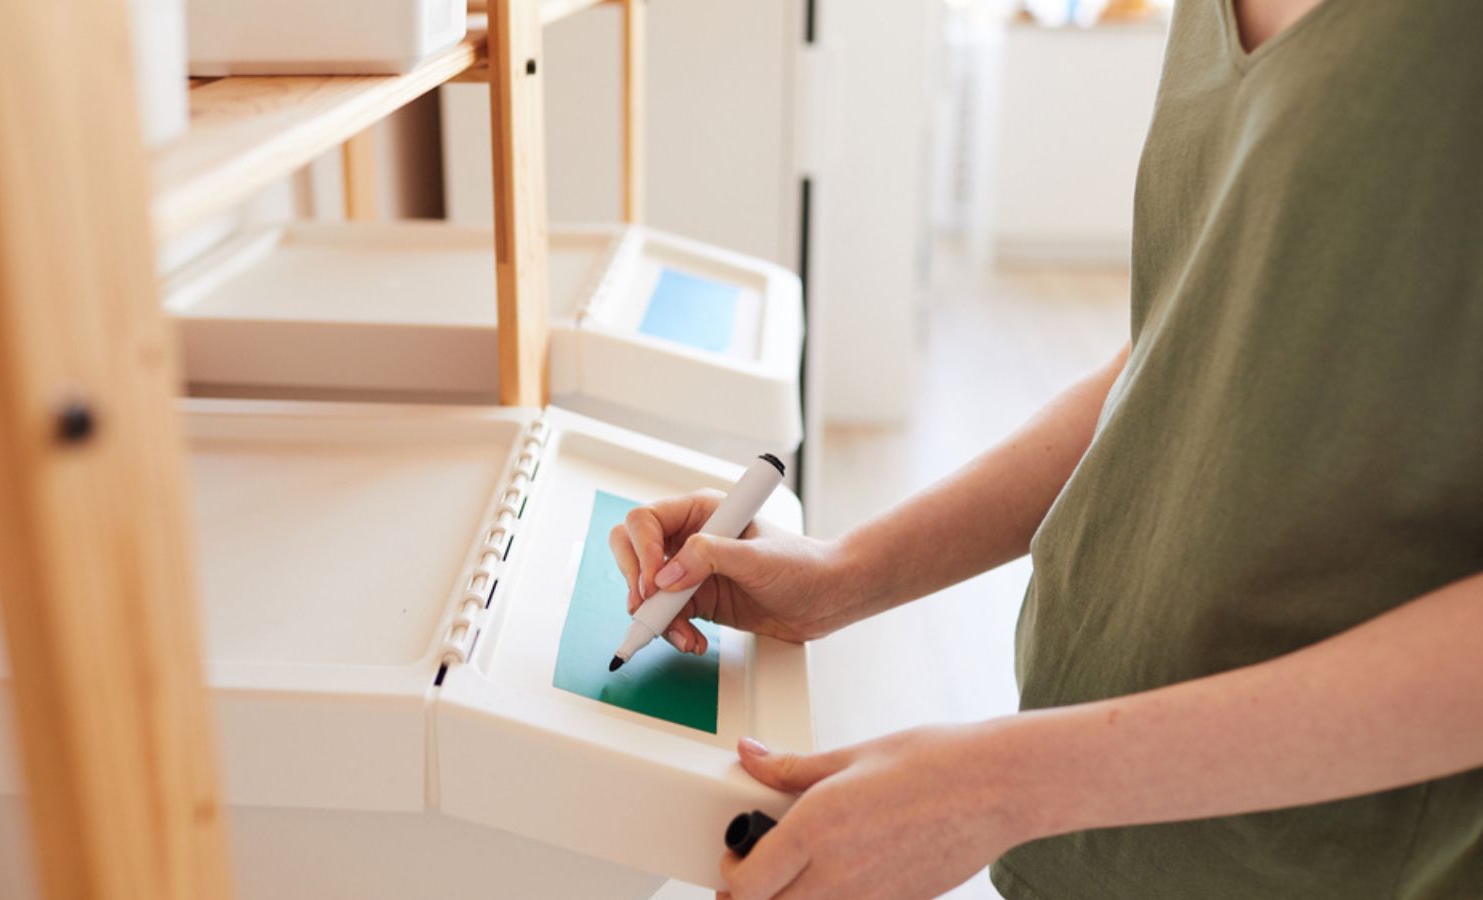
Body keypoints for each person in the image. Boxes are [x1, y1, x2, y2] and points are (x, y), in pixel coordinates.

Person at [608, 0, 1483, 896]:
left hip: (1326, 861)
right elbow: (1179, 346)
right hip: (1094, 826)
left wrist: (1004, 784)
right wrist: (841, 575)